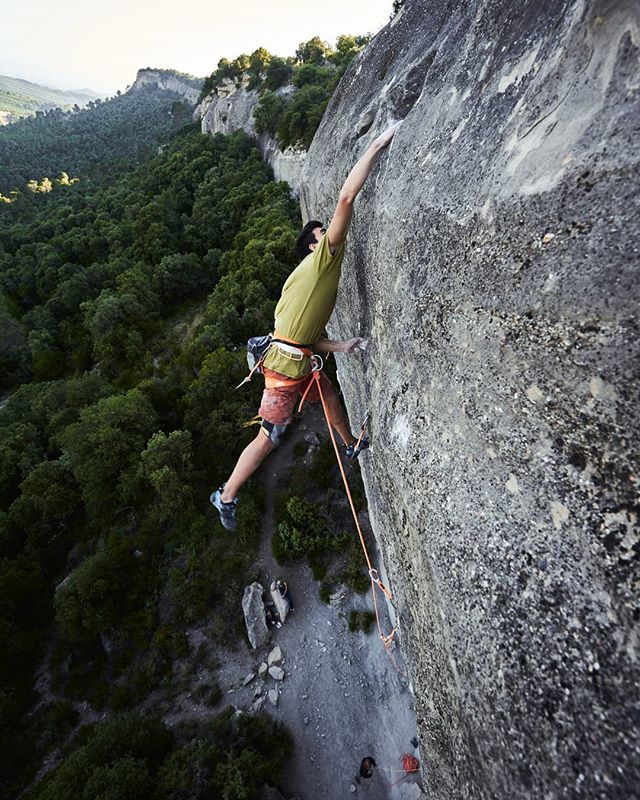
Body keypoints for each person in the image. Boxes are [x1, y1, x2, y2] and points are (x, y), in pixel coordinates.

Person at [211, 121, 401, 531]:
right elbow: (347, 197)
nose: (329, 233)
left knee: (328, 390)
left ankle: (349, 445)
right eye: (321, 233)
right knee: (270, 436)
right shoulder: (320, 262)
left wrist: (342, 346)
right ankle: (225, 495)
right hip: (283, 370)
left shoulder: (300, 278)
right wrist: (377, 144)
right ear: (314, 246)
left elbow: (306, 337)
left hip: (290, 360)